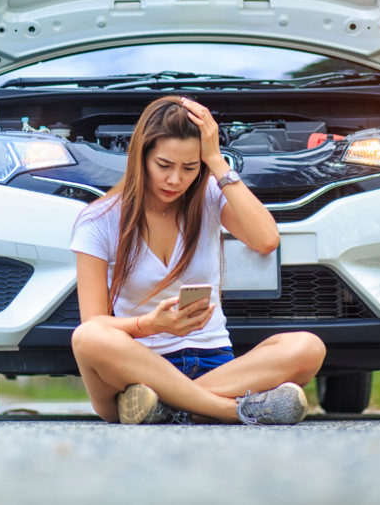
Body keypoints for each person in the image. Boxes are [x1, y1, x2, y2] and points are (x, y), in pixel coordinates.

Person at [70, 95, 326, 425]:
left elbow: (266, 239)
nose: (175, 179)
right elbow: (93, 322)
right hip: (137, 370)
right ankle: (232, 410)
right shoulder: (98, 219)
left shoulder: (208, 195)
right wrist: (150, 325)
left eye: (189, 167)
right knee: (88, 338)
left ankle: (167, 407)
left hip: (212, 365)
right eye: (164, 165)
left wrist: (217, 161)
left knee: (308, 347)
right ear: (141, 156)